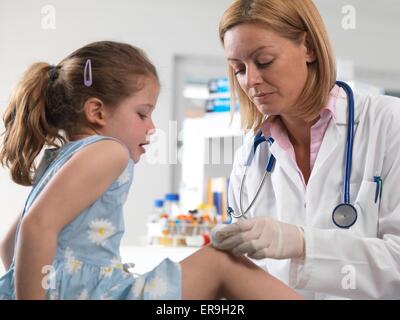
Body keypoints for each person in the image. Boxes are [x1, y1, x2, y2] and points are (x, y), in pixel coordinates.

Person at [0, 41, 302, 300]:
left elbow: (11, 243)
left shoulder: (58, 158)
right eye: (142, 113)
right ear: (97, 112)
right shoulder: (109, 150)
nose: (152, 127)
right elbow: (36, 227)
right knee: (222, 262)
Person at [211, 0, 400, 299]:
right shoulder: (251, 156)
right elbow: (248, 274)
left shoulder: (389, 123)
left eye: (265, 61)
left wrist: (303, 243)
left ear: (309, 47)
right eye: (238, 69)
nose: (251, 81)